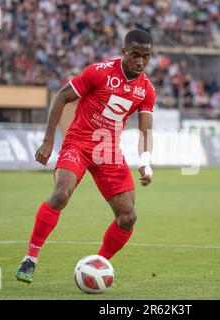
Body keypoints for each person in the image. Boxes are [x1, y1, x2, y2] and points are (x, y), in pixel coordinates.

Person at [16, 29, 155, 283]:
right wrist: (48, 141)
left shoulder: (146, 90)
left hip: (108, 152)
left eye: (145, 56)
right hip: (78, 143)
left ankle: (98, 265)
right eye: (135, 55)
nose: (140, 62)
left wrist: (145, 161)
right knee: (60, 195)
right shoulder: (99, 72)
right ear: (124, 53)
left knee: (128, 217)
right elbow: (62, 96)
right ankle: (30, 258)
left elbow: (146, 130)